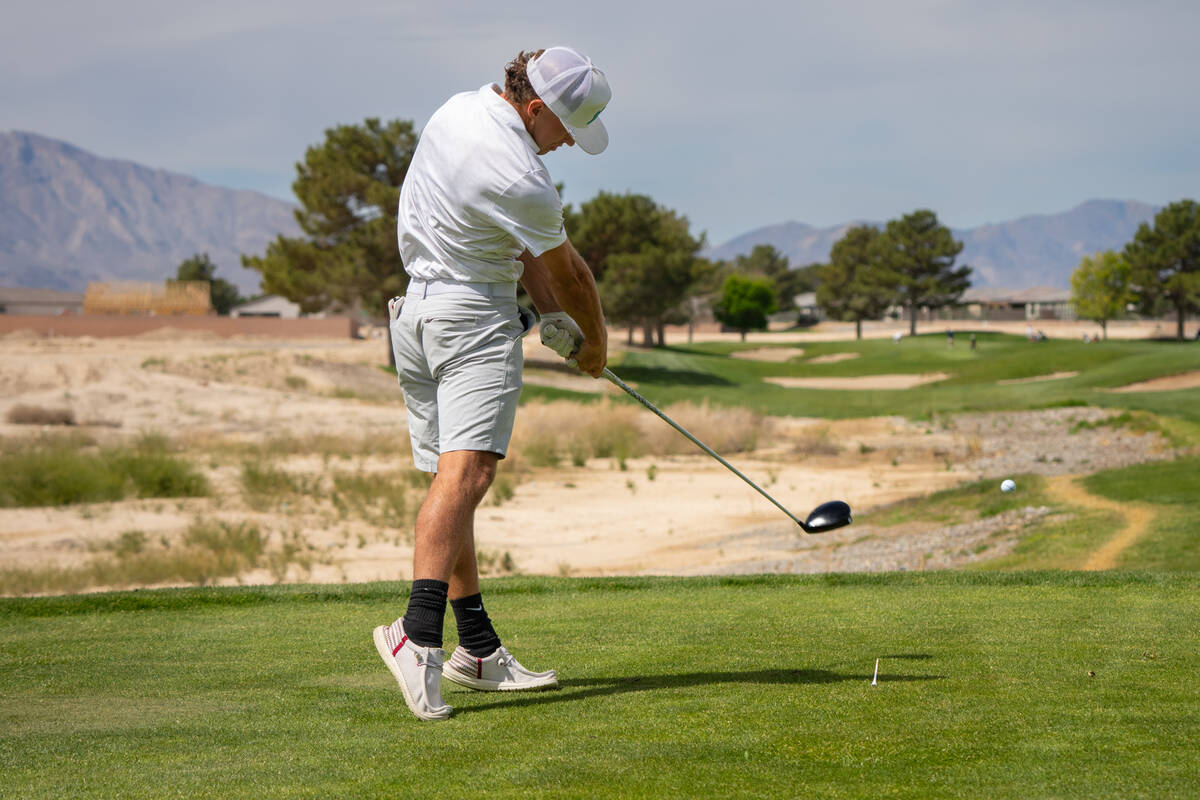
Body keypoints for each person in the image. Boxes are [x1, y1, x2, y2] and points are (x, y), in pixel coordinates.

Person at [373, 47, 611, 721]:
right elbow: (570, 276)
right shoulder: (523, 175)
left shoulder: (457, 112)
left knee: (452, 482)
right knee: (468, 478)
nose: (566, 142)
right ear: (536, 109)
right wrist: (593, 348)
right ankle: (415, 635)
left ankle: (475, 649)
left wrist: (555, 320)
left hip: (416, 316)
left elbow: (522, 255)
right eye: (565, 127)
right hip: (472, 320)